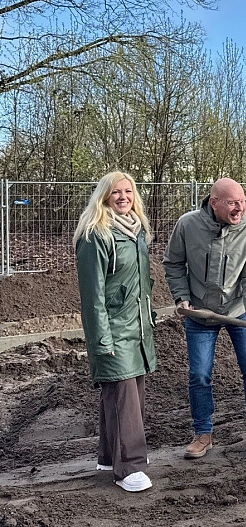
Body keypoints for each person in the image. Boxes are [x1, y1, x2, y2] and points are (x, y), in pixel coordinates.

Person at [163, 178, 246, 461]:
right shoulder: (188, 225)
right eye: (232, 202)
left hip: (238, 309)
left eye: (242, 201)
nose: (239, 207)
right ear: (213, 203)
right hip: (200, 312)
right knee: (199, 374)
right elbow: (174, 263)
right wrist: (182, 297)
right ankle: (202, 434)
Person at [74, 171, 157, 492]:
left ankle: (110, 457)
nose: (123, 197)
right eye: (115, 192)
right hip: (113, 331)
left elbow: (141, 285)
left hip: (137, 328)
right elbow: (92, 295)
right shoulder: (96, 235)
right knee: (125, 398)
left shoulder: (136, 232)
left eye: (128, 191)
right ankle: (130, 468)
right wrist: (101, 340)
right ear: (103, 197)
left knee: (129, 393)